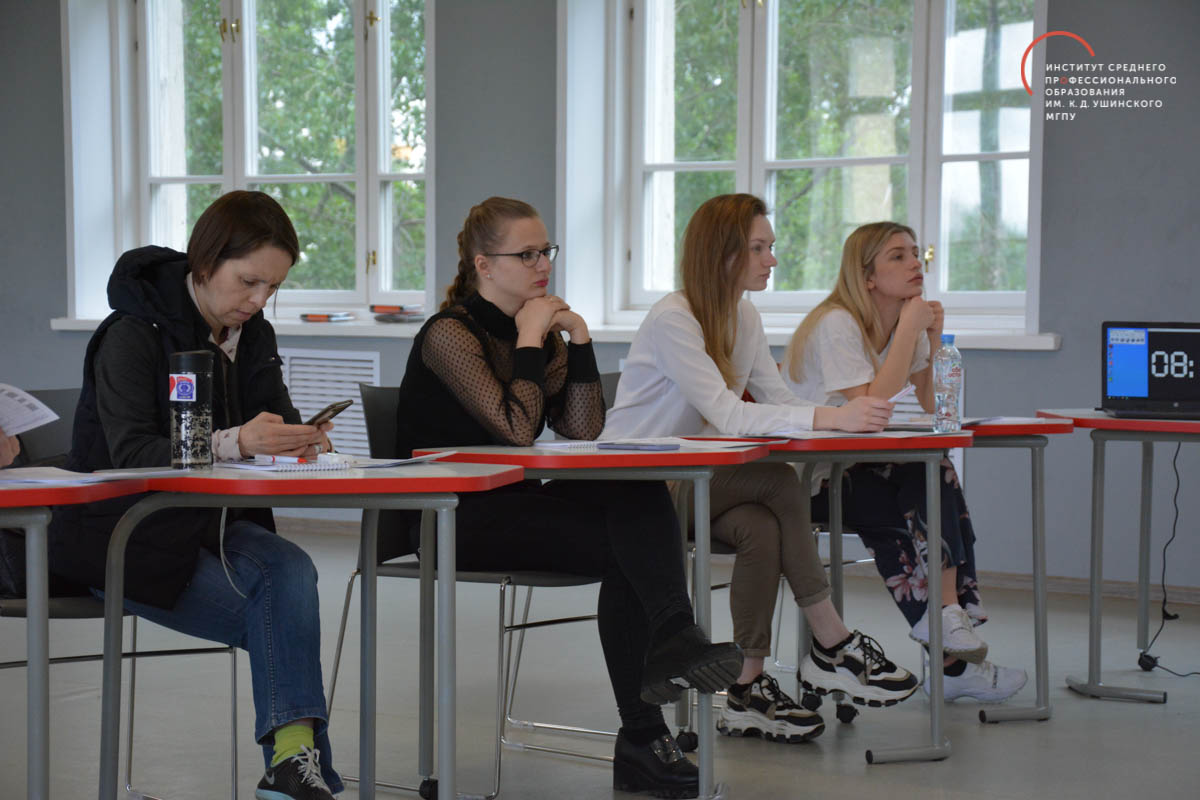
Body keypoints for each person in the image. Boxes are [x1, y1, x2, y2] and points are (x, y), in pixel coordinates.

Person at [393, 196, 743, 799]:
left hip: (517, 503)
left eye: (546, 251)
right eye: (526, 254)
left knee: (636, 489)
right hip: (451, 516)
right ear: (483, 265)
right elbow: (516, 428)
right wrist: (532, 339)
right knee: (631, 550)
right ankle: (647, 726)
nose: (543, 265)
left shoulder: (545, 332)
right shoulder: (449, 334)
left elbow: (584, 430)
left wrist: (577, 339)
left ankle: (671, 645)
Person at [49, 191, 343, 800]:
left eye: (272, 287)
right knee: (282, 617)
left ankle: (292, 767)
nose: (258, 300)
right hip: (124, 534)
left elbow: (275, 419)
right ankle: (296, 764)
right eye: (248, 282)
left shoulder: (252, 335)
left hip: (212, 525)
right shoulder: (130, 334)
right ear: (205, 263)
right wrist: (237, 441)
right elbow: (131, 454)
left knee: (292, 568)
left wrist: (298, 440)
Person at [603, 194, 918, 746]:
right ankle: (831, 638)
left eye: (770, 247)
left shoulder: (743, 314)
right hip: (641, 485)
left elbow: (779, 399)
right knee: (776, 480)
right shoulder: (675, 317)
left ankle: (747, 687)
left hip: (696, 478)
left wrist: (842, 419)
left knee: (761, 525)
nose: (771, 259)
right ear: (720, 253)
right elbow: (729, 415)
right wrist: (834, 416)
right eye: (758, 248)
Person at [781, 220, 1027, 702]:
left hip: (855, 471)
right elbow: (870, 404)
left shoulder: (901, 325)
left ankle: (949, 633)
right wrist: (912, 329)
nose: (915, 263)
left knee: (931, 475)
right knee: (927, 481)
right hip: (808, 481)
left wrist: (931, 341)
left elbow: (934, 405)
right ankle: (952, 652)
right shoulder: (836, 323)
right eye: (898, 255)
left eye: (915, 252)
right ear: (867, 276)